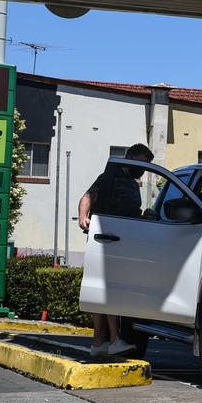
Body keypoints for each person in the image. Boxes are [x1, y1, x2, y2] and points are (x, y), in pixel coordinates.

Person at [78, 143, 153, 357]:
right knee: (110, 291)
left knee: (102, 291)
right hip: (109, 239)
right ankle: (114, 339)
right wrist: (83, 217)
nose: (143, 168)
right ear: (130, 158)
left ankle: (98, 342)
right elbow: (88, 196)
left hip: (117, 238)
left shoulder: (130, 183)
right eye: (141, 163)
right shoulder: (110, 177)